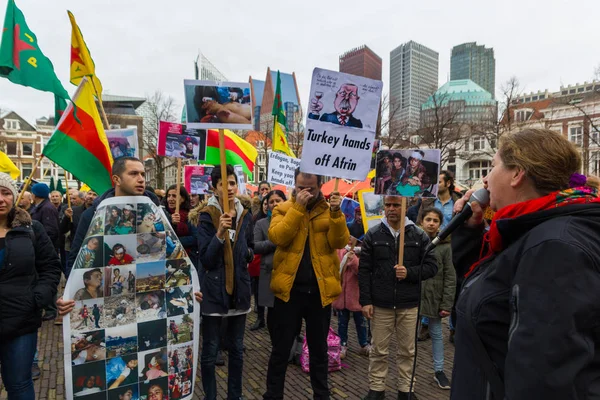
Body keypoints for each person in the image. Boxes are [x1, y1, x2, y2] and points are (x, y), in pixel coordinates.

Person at [450, 129, 600, 400]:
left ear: (517, 174)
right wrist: (469, 233)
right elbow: (491, 297)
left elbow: (546, 379)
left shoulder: (554, 248)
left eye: (492, 167)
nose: (484, 179)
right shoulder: (529, 231)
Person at [58, 157, 204, 316]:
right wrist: (68, 294)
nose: (141, 179)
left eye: (142, 174)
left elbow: (172, 256)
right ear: (116, 179)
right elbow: (76, 256)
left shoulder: (158, 213)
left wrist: (189, 287)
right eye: (133, 174)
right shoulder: (93, 214)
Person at [263, 169, 349, 400]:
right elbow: (278, 237)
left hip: (318, 292)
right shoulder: (282, 208)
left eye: (310, 188)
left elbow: (339, 241)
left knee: (319, 350)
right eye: (301, 187)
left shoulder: (330, 210)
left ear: (320, 186)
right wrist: (298, 209)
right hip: (289, 292)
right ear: (295, 184)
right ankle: (273, 395)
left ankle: (321, 395)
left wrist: (336, 213)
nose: (305, 192)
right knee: (281, 349)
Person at [358, 195, 437, 400]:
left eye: (396, 205)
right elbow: (364, 270)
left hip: (408, 303)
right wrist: (365, 301)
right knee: (378, 350)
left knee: (407, 351)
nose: (391, 209)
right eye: (388, 205)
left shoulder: (419, 235)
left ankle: (406, 389)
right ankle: (376, 388)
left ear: (405, 206)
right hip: (381, 302)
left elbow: (432, 266)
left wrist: (409, 272)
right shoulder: (373, 234)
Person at [0, 173, 61, 400]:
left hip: (21, 321)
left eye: (6, 193)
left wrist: (37, 298)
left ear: (14, 197)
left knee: (19, 383)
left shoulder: (31, 229)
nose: (1, 199)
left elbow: (50, 267)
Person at [197, 164, 254, 400]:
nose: (230, 188)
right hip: (213, 291)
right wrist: (220, 233)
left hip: (238, 291)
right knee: (210, 352)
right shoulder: (206, 216)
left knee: (237, 351)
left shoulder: (245, 213)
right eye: (224, 184)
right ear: (214, 187)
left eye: (232, 183)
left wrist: (248, 255)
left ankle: (235, 395)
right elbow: (207, 259)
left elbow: (250, 246)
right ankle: (210, 396)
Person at [417, 170, 461, 342]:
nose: (437, 185)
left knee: (451, 284)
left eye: (440, 182)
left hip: (453, 249)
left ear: (448, 184)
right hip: (431, 248)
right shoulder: (428, 202)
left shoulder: (458, 203)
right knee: (429, 282)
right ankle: (426, 324)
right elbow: (419, 220)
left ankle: (452, 327)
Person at [418, 207, 455, 390]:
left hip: (434, 297)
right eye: (428, 219)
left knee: (437, 334)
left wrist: (447, 303)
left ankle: (439, 370)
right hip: (414, 296)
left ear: (440, 224)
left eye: (435, 220)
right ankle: (407, 372)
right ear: (421, 221)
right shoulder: (414, 241)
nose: (431, 223)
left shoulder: (445, 246)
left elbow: (450, 275)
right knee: (408, 335)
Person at [253, 190, 286, 338]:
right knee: (273, 315)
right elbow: (256, 246)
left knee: (289, 315)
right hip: (270, 274)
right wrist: (274, 240)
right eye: (271, 201)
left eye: (278, 200)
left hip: (289, 274)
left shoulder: (292, 221)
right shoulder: (261, 224)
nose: (275, 204)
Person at [333, 237, 370, 359]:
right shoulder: (338, 250)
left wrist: (353, 259)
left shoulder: (363, 252)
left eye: (352, 237)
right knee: (342, 322)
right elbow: (336, 267)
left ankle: (364, 344)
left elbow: (361, 271)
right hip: (341, 295)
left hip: (356, 296)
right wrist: (344, 256)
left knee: (361, 322)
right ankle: (342, 344)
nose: (349, 239)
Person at [163, 185, 199, 266]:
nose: (170, 199)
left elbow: (195, 238)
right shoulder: (163, 214)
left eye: (174, 196)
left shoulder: (190, 216)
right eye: (168, 196)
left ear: (182, 199)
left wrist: (175, 242)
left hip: (188, 258)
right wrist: (172, 223)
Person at [249, 196, 268, 330]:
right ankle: (260, 318)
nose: (268, 206)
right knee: (259, 291)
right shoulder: (257, 220)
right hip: (260, 263)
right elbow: (255, 243)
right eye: (266, 203)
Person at [29, 182, 60, 248]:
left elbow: (51, 231)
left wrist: (41, 245)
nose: (31, 195)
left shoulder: (47, 208)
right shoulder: (40, 206)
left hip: (44, 248)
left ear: (35, 195)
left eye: (32, 193)